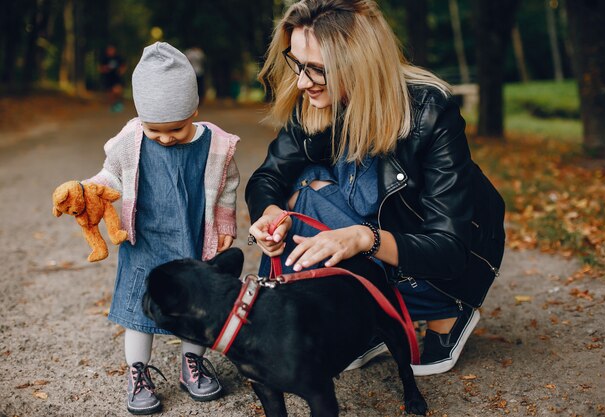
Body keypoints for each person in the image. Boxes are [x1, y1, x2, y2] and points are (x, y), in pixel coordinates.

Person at [246, 0, 505, 377]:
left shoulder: (430, 112)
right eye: (297, 64)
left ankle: (447, 310)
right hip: (381, 233)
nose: (301, 82)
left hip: (448, 264)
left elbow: (449, 247)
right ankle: (363, 312)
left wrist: (363, 238)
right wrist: (269, 217)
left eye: (317, 69)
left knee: (313, 184)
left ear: (360, 63)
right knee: (302, 185)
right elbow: (268, 177)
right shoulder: (314, 104)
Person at [85, 42, 240, 414]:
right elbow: (111, 176)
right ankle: (138, 371)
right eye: (155, 130)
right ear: (142, 119)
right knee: (138, 310)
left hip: (192, 240)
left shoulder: (215, 145)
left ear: (194, 111)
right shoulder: (131, 140)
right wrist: (89, 190)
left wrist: (223, 222)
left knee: (196, 306)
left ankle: (192, 365)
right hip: (145, 244)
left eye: (177, 128)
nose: (166, 137)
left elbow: (227, 187)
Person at [99, 45, 127, 112]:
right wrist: (105, 69)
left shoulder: (118, 58)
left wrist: (121, 71)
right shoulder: (105, 58)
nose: (110, 51)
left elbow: (123, 66)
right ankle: (112, 106)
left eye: (112, 50)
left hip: (116, 77)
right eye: (109, 50)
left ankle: (118, 104)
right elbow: (101, 68)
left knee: (117, 91)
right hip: (108, 78)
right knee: (110, 93)